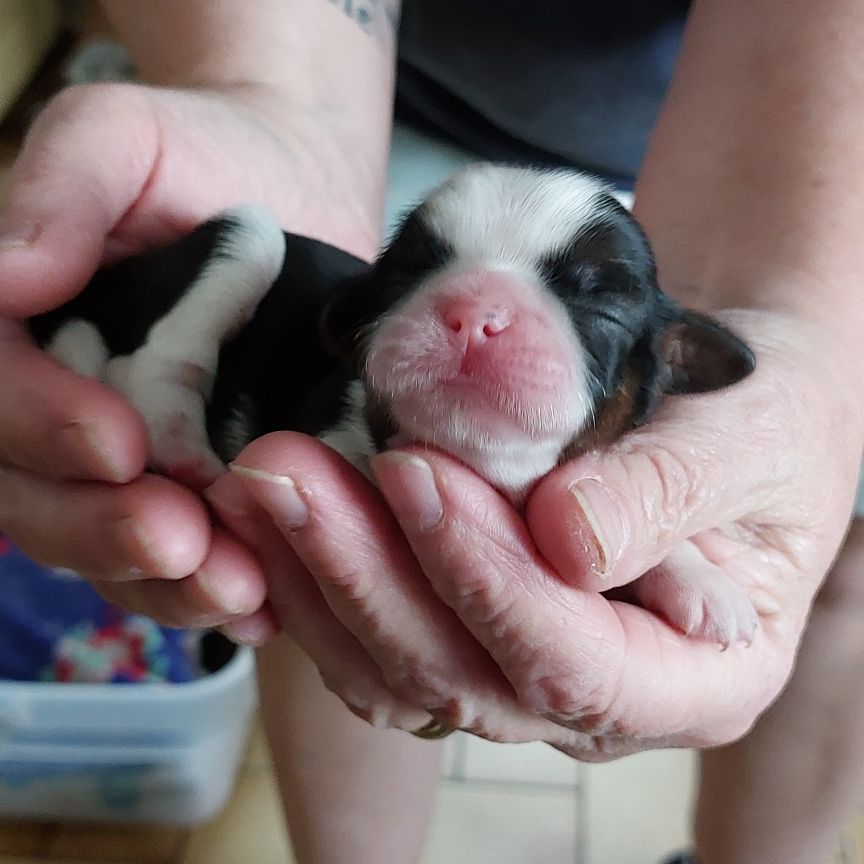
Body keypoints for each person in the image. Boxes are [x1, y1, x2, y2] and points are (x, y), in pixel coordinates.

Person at [0, 2, 862, 863]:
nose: (477, 315)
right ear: (360, 326)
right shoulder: (349, 408)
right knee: (342, 605)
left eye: (592, 301)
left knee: (836, 560)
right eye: (426, 269)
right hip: (397, 92)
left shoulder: (626, 412)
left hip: (784, 154)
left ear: (668, 366)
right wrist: (267, 95)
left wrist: (677, 552)